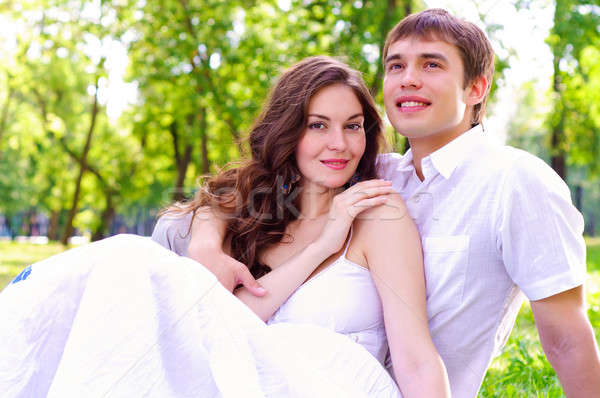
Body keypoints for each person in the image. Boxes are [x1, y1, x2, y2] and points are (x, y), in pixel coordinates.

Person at [160, 9, 600, 398]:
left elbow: (566, 339)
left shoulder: (516, 182)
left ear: (476, 89)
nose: (409, 77)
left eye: (431, 64)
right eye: (396, 65)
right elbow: (239, 189)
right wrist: (205, 243)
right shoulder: (376, 173)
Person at [152, 55, 450, 397]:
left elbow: (416, 359)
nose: (339, 143)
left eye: (352, 126)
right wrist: (322, 246)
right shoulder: (254, 214)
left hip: (344, 387)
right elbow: (227, 328)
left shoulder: (378, 214)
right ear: (288, 131)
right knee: (120, 257)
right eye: (318, 125)